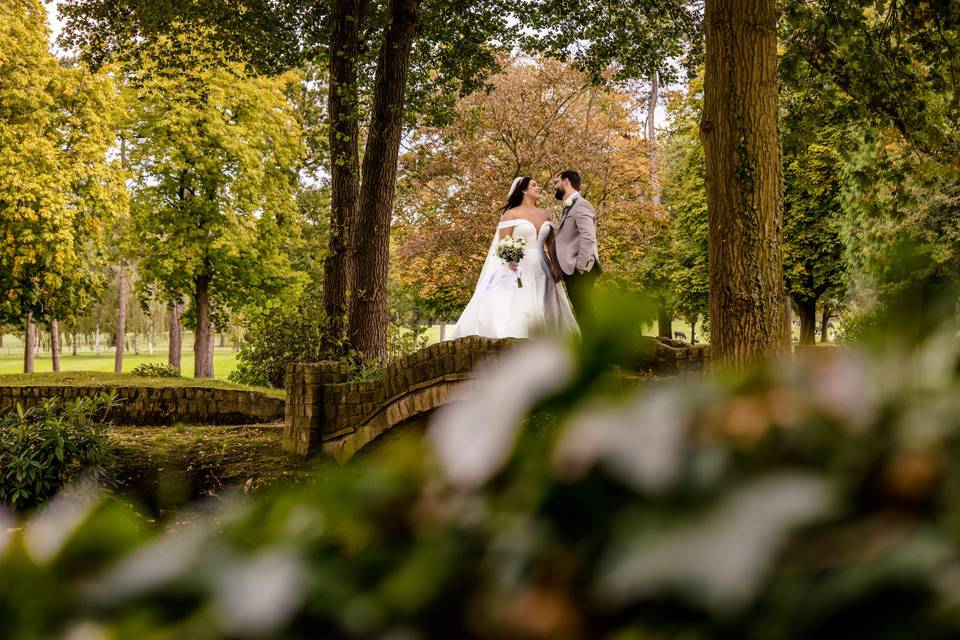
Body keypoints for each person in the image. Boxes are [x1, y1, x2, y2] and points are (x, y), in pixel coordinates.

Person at [450, 176, 578, 340]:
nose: (538, 188)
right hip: (518, 267)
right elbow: (503, 242)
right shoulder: (511, 214)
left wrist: (555, 266)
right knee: (521, 306)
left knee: (544, 307)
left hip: (543, 268)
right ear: (524, 190)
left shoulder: (546, 214)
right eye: (534, 185)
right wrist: (510, 258)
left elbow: (551, 245)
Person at [551, 170, 601, 327]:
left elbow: (588, 237)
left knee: (585, 312)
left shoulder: (581, 205)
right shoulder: (569, 207)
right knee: (582, 312)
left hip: (581, 269)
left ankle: (594, 349)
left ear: (566, 182)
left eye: (556, 182)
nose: (554, 186)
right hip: (573, 269)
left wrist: (579, 266)